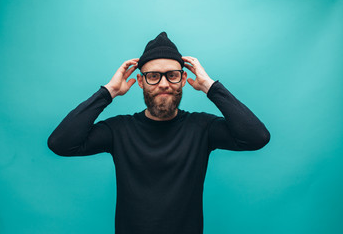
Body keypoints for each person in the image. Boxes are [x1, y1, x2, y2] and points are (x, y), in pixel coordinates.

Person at [47, 31, 270, 234]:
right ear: (141, 82)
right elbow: (61, 143)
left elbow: (257, 137)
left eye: (172, 75)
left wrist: (210, 87)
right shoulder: (119, 130)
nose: (163, 84)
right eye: (153, 76)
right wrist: (109, 91)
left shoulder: (202, 127)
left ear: (183, 79)